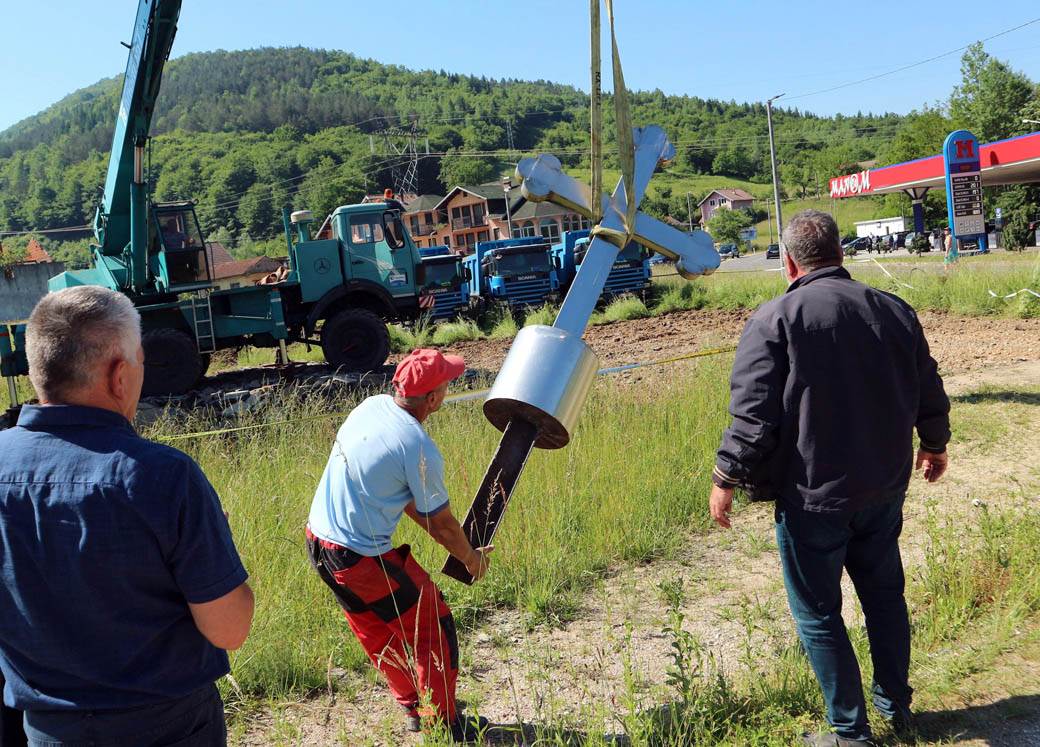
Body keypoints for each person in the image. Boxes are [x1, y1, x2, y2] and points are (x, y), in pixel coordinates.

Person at [709, 210, 950, 747]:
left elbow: (753, 415)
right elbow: (927, 385)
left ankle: (850, 732)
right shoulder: (892, 309)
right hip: (884, 487)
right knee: (885, 597)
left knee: (820, 614)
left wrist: (726, 475)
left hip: (812, 499)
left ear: (790, 262)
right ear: (841, 254)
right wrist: (934, 443)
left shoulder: (775, 320)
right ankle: (897, 710)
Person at [0, 286, 254, 747]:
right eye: (141, 361)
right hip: (170, 729)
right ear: (120, 374)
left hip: (44, 729)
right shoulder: (165, 477)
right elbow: (229, 628)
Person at [306, 349, 492, 743]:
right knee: (433, 625)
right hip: (358, 556)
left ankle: (415, 708)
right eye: (446, 383)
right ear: (433, 398)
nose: (448, 387)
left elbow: (400, 496)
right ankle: (443, 724)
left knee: (377, 631)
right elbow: (441, 524)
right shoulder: (416, 445)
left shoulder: (372, 407)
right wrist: (471, 559)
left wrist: (455, 545)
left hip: (320, 545)